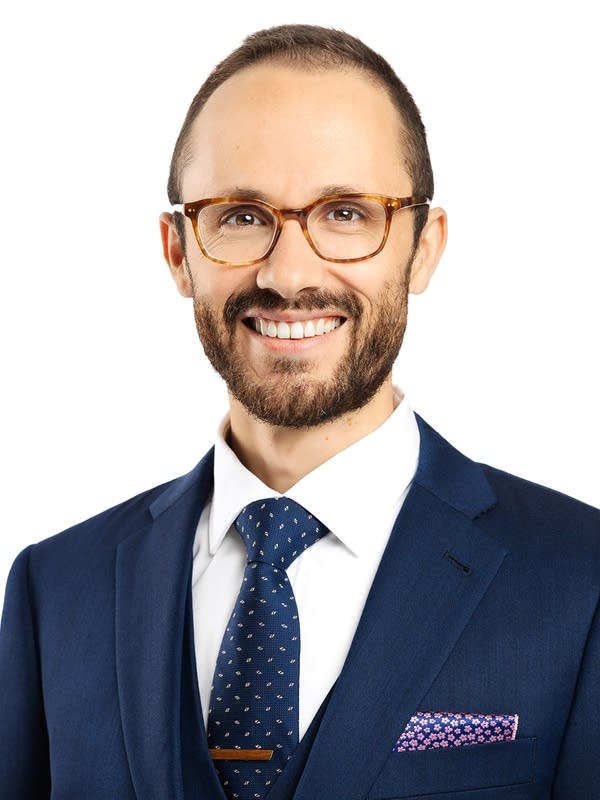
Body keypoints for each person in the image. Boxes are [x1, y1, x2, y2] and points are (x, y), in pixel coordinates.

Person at [1, 23, 599, 800]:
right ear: (178, 252)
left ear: (424, 247)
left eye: (346, 213)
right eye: (241, 216)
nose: (288, 273)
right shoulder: (57, 591)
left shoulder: (581, 581)